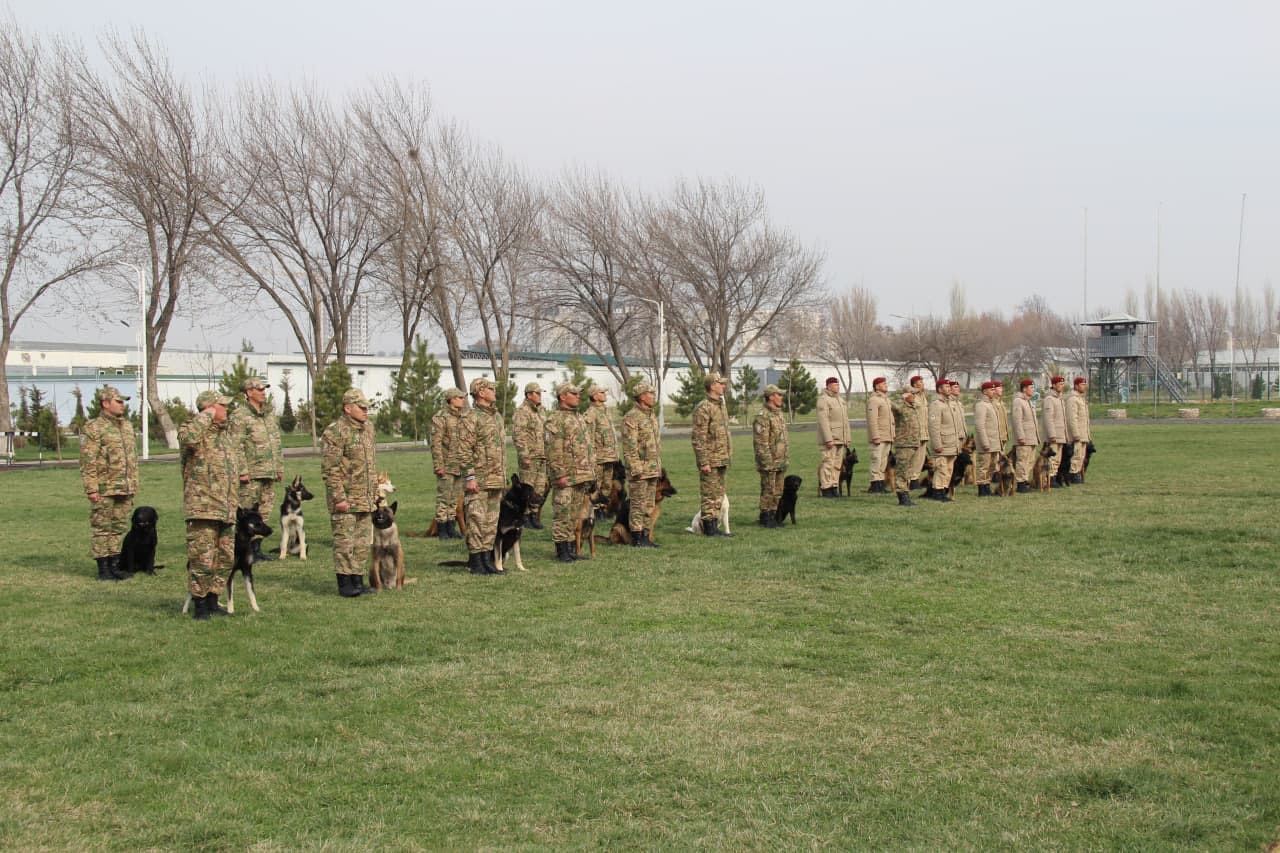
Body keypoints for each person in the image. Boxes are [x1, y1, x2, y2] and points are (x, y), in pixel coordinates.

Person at [180, 390, 243, 619]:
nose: (226, 409)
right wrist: (206, 415)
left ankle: (213, 599)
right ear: (208, 408)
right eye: (221, 406)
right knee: (202, 559)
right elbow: (188, 439)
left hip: (226, 507)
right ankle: (200, 605)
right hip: (203, 507)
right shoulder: (193, 431)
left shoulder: (225, 436)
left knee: (224, 558)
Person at [321, 388, 379, 596]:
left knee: (362, 542)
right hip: (346, 497)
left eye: (366, 408)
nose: (365, 411)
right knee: (345, 542)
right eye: (361, 407)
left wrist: (374, 493)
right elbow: (330, 468)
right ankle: (344, 583)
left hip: (365, 496)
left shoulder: (368, 429)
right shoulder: (335, 432)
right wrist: (338, 498)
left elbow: (370, 463)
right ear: (348, 408)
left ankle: (358, 579)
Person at [79, 385, 138, 581]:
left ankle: (115, 564)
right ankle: (103, 568)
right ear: (105, 404)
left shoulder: (126, 426)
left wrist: (133, 484)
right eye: (118, 401)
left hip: (125, 486)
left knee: (118, 527)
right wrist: (92, 488)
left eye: (123, 402)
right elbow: (88, 460)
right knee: (102, 528)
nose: (122, 405)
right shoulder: (94, 427)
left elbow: (131, 458)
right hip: (105, 487)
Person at [231, 376, 283, 561]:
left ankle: (257, 549)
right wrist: (242, 471)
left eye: (264, 389)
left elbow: (275, 442)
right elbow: (236, 446)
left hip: (268, 471)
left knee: (265, 511)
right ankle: (243, 549)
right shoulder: (240, 416)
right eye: (259, 389)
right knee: (247, 512)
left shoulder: (268, 413)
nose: (263, 392)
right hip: (251, 473)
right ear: (248, 392)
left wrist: (278, 467)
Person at [459, 377, 506, 575]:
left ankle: (487, 559)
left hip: (495, 478)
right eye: (490, 388)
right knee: (477, 520)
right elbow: (463, 449)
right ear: (480, 393)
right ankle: (476, 561)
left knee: (491, 522)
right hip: (479, 478)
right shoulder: (471, 417)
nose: (494, 391)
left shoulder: (496, 417)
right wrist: (470, 476)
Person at [545, 382, 595, 562]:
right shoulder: (555, 419)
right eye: (573, 393)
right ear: (563, 396)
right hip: (566, 476)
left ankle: (571, 547)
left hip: (581, 474)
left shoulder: (578, 417)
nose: (578, 396)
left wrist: (591, 472)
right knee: (562, 512)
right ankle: (562, 549)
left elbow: (587, 447)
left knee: (574, 514)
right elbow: (553, 450)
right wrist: (559, 474)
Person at [621, 381, 663, 547]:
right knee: (638, 504)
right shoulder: (631, 417)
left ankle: (646, 535)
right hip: (640, 470)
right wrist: (636, 468)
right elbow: (630, 447)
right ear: (642, 397)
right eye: (650, 394)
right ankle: (637, 538)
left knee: (649, 504)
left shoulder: (651, 416)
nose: (653, 397)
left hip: (652, 468)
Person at [691, 372, 733, 536]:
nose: (723, 386)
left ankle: (715, 525)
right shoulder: (704, 407)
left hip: (721, 457)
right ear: (711, 386)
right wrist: (703, 461)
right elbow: (698, 437)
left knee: (719, 493)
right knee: (709, 494)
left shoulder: (720, 405)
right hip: (710, 458)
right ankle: (709, 525)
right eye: (720, 383)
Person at [429, 388, 468, 539]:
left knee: (454, 498)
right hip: (446, 464)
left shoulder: (462, 418)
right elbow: (436, 444)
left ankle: (451, 526)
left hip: (460, 465)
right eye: (459, 398)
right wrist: (439, 465)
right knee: (443, 498)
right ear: (451, 399)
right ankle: (442, 528)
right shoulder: (441, 418)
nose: (462, 400)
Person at [511, 382, 548, 529]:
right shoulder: (522, 412)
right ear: (529, 395)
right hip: (530, 456)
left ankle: (534, 515)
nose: (540, 396)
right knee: (527, 487)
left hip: (542, 455)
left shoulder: (541, 411)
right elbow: (519, 435)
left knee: (539, 488)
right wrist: (524, 455)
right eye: (537, 393)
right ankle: (524, 516)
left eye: (540, 393)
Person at [752, 384, 789, 528]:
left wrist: (785, 458)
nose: (781, 397)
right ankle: (765, 516)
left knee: (778, 490)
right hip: (769, 460)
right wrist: (767, 463)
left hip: (780, 460)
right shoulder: (763, 416)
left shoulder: (779, 414)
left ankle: (774, 515)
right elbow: (761, 443)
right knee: (768, 489)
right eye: (779, 395)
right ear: (771, 397)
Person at [583, 384, 619, 518]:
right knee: (596, 484)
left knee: (607, 483)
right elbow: (588, 437)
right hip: (598, 457)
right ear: (595, 396)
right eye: (602, 392)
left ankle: (603, 508)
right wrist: (591, 456)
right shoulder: (591, 413)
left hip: (609, 456)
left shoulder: (605, 411)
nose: (605, 394)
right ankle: (594, 510)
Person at [927, 379, 962, 502]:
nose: (949, 388)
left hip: (952, 443)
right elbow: (933, 426)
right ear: (939, 389)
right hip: (942, 443)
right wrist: (937, 444)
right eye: (946, 386)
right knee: (941, 468)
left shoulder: (949, 403)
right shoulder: (936, 404)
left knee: (948, 469)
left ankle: (944, 491)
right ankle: (938, 492)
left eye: (949, 386)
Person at [816, 376, 850, 498]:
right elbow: (823, 421)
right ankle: (826, 487)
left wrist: (847, 438)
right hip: (830, 438)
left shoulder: (840, 400)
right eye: (835, 385)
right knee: (828, 463)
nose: (837, 386)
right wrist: (828, 439)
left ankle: (834, 486)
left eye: (838, 384)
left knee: (837, 464)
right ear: (829, 386)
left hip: (840, 437)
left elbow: (845, 421)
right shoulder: (823, 400)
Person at [891, 385, 922, 506]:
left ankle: (906, 494)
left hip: (913, 443)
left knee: (908, 471)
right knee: (902, 471)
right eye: (911, 394)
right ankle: (902, 496)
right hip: (903, 443)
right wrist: (901, 398)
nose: (914, 396)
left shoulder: (913, 407)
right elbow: (893, 406)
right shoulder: (900, 407)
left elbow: (920, 404)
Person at [865, 376, 894, 494]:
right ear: (877, 387)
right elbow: (872, 420)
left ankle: (881, 484)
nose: (886, 385)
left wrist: (892, 434)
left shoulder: (886, 400)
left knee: (883, 461)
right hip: (879, 436)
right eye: (883, 384)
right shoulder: (874, 400)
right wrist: (875, 436)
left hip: (887, 435)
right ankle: (875, 484)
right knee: (876, 460)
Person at [1012, 378, 1040, 493]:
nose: (1033, 390)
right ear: (1024, 389)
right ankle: (1020, 483)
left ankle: (1025, 480)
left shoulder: (1028, 401)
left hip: (1031, 436)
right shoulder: (1018, 401)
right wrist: (1020, 436)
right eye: (1031, 387)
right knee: (1022, 460)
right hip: (1024, 437)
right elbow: (1017, 420)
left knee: (1030, 461)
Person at [973, 381, 1000, 497]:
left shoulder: (990, 404)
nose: (994, 392)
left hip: (994, 441)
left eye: (994, 390)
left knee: (992, 465)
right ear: (985, 391)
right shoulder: (981, 405)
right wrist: (984, 442)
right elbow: (980, 425)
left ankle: (987, 485)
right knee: (984, 465)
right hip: (987, 441)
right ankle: (982, 488)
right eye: (991, 390)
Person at [904, 375, 930, 491]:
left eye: (922, 381)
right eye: (920, 382)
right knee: (913, 458)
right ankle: (909, 479)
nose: (922, 384)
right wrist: (914, 390)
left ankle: (915, 479)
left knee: (920, 459)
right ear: (914, 384)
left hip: (924, 432)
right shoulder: (911, 395)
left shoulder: (923, 397)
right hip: (915, 432)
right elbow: (905, 389)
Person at [1041, 375, 1068, 488]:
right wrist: (1052, 434)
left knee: (1058, 458)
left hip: (1061, 433)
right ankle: (1049, 478)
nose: (1062, 386)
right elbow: (1049, 418)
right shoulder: (1050, 399)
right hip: (1054, 434)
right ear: (1054, 385)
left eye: (1063, 384)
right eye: (1060, 384)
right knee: (1052, 458)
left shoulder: (1060, 399)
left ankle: (1054, 476)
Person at [1066, 377, 1091, 484]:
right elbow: (1072, 418)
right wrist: (1075, 433)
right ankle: (1073, 473)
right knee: (1076, 454)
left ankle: (1077, 473)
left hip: (1083, 432)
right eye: (1082, 384)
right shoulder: (1073, 399)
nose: (1084, 386)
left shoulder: (1081, 399)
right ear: (1076, 386)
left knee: (1081, 455)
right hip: (1077, 433)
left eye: (1085, 384)